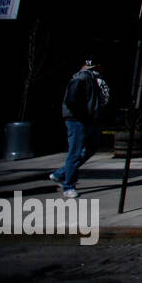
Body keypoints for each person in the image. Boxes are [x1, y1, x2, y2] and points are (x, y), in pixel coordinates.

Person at [49, 59, 110, 199]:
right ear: (97, 66)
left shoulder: (93, 78)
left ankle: (60, 174)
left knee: (91, 147)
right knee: (75, 152)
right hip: (78, 120)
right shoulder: (82, 78)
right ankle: (68, 185)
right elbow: (71, 100)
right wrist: (82, 115)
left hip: (87, 119)